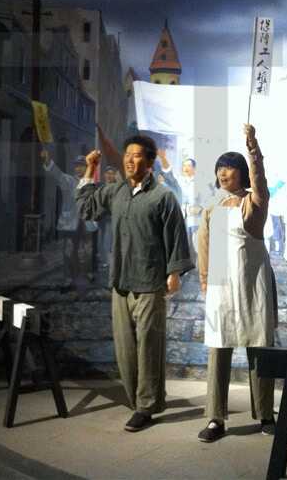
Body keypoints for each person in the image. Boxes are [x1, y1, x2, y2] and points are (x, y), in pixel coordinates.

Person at [76, 135, 193, 432]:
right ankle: (138, 400)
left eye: (136, 155)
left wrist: (174, 273)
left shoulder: (163, 196)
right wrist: (91, 170)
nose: (129, 160)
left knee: (149, 347)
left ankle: (146, 406)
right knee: (125, 349)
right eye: (127, 154)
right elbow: (87, 208)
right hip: (121, 282)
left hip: (150, 282)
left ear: (150, 161)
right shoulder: (116, 192)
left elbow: (176, 235)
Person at [197, 124, 276, 443]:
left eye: (229, 167)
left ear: (242, 172)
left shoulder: (254, 203)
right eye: (219, 168)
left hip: (252, 282)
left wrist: (253, 149)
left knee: (259, 348)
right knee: (218, 351)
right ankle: (215, 418)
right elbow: (204, 246)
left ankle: (266, 414)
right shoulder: (211, 207)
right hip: (220, 286)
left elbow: (260, 183)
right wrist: (205, 281)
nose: (223, 173)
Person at [41, 150, 97, 286]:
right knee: (68, 249)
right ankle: (69, 277)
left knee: (89, 250)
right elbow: (57, 175)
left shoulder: (92, 185)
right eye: (77, 166)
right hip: (71, 223)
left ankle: (89, 272)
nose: (79, 169)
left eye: (82, 166)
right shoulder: (69, 181)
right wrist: (48, 161)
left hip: (87, 223)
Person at [96, 166, 119, 272]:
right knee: (100, 239)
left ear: (114, 175)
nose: (109, 175)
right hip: (100, 218)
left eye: (112, 173)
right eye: (108, 173)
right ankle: (102, 259)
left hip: (110, 218)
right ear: (104, 174)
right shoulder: (100, 187)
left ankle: (105, 262)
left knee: (107, 240)